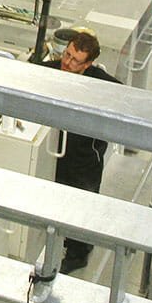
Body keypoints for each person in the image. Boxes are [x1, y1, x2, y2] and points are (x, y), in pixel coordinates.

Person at [48, 29, 115, 275]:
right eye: (67, 55)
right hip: (56, 152)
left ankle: (79, 253)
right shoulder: (53, 69)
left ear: (89, 64)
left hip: (84, 158)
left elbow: (125, 100)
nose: (67, 63)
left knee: (82, 204)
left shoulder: (101, 83)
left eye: (76, 61)